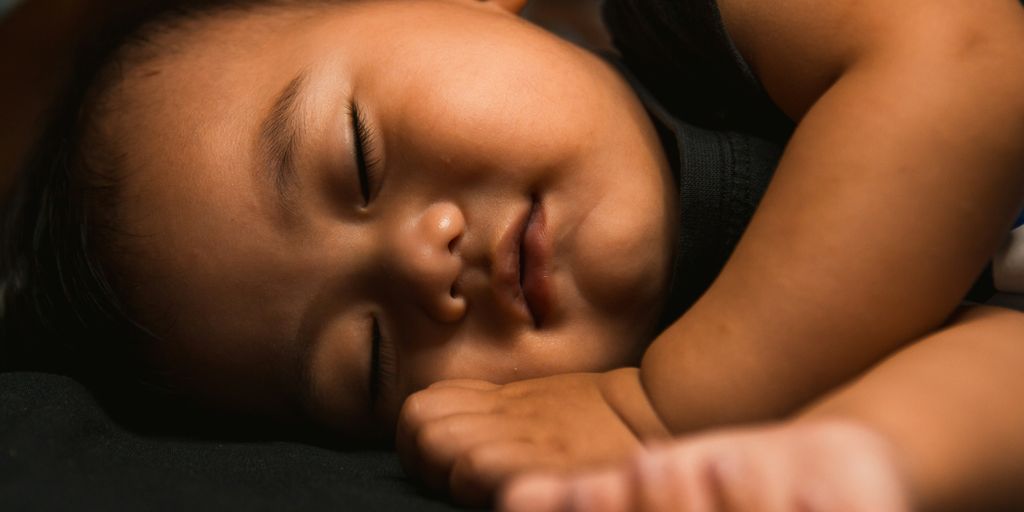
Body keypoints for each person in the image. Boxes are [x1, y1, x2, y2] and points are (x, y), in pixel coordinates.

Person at [1, 0, 1023, 510]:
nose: (418, 260)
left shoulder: (679, 22)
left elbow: (970, 61)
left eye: (357, 157)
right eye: (367, 355)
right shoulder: (647, 364)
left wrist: (665, 406)